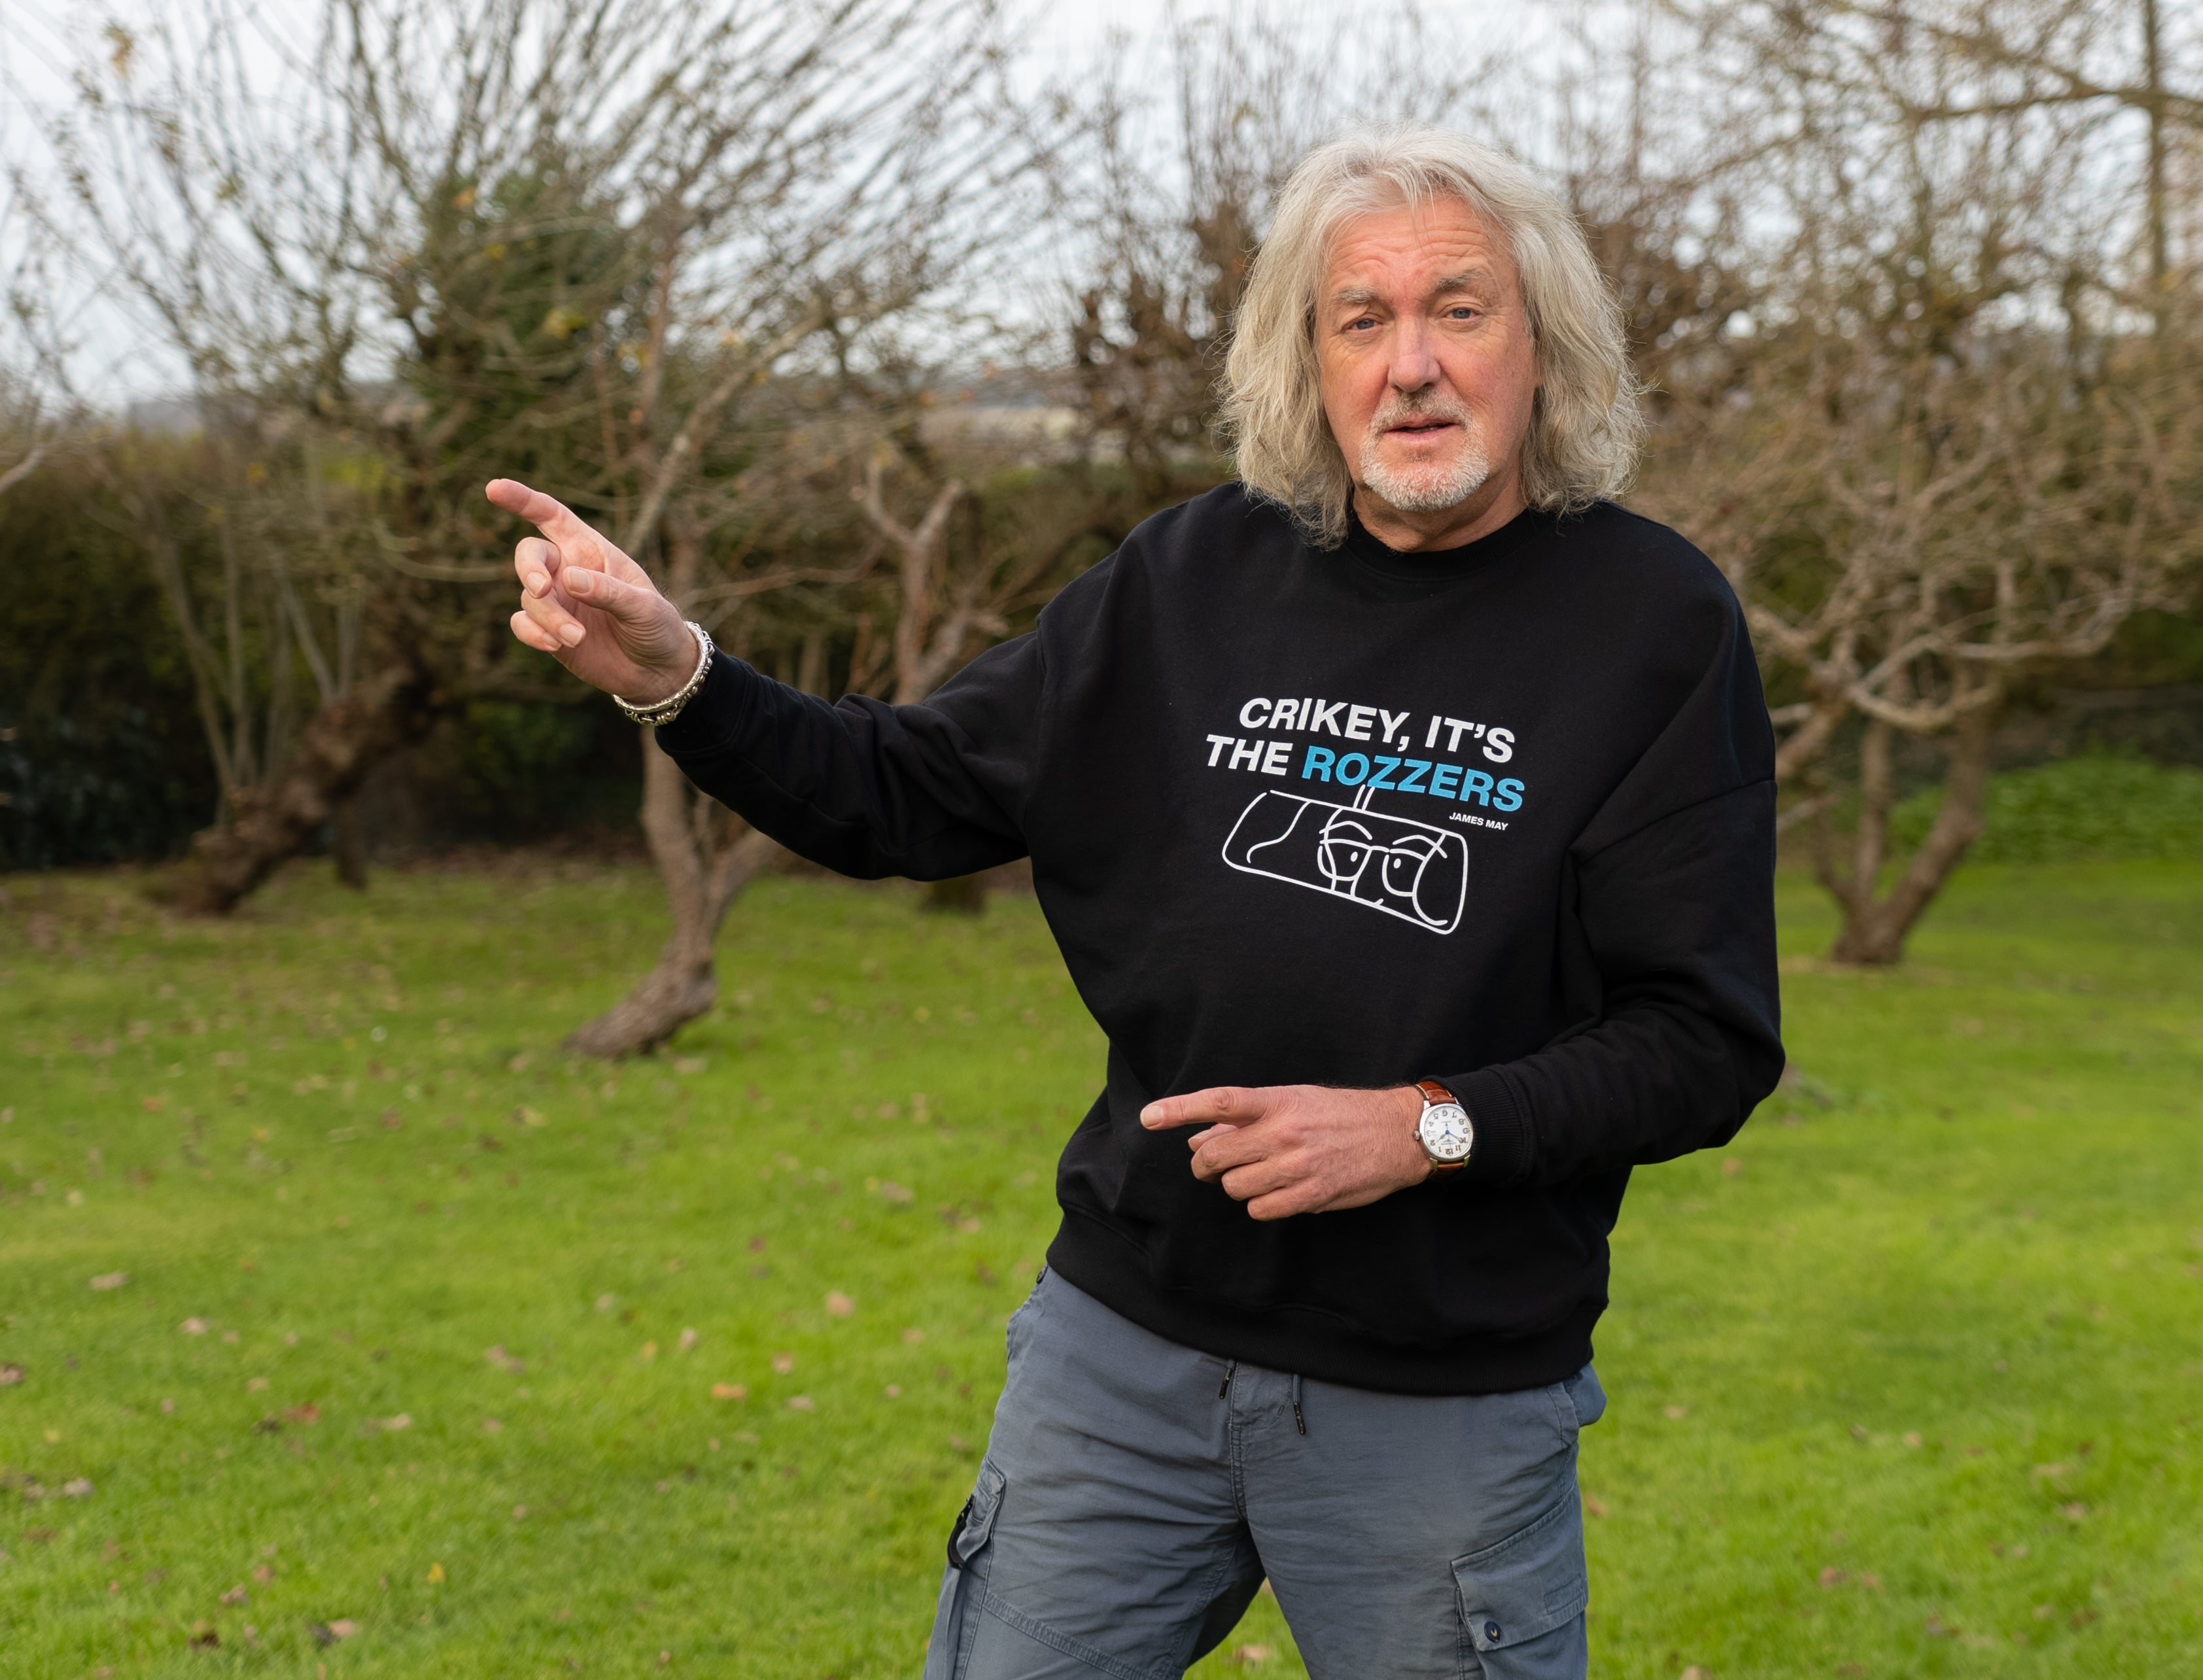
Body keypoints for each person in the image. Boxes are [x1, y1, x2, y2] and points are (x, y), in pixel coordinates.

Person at [489, 124, 1782, 1680]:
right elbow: (907, 788)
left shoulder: (1651, 624)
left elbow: (1702, 1040)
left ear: (1542, 343)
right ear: (1307, 360)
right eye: (1361, 319)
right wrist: (679, 677)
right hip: (1126, 1349)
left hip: (1438, 1394)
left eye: (1461, 308)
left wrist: (1422, 1124)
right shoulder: (1192, 578)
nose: (1413, 364)